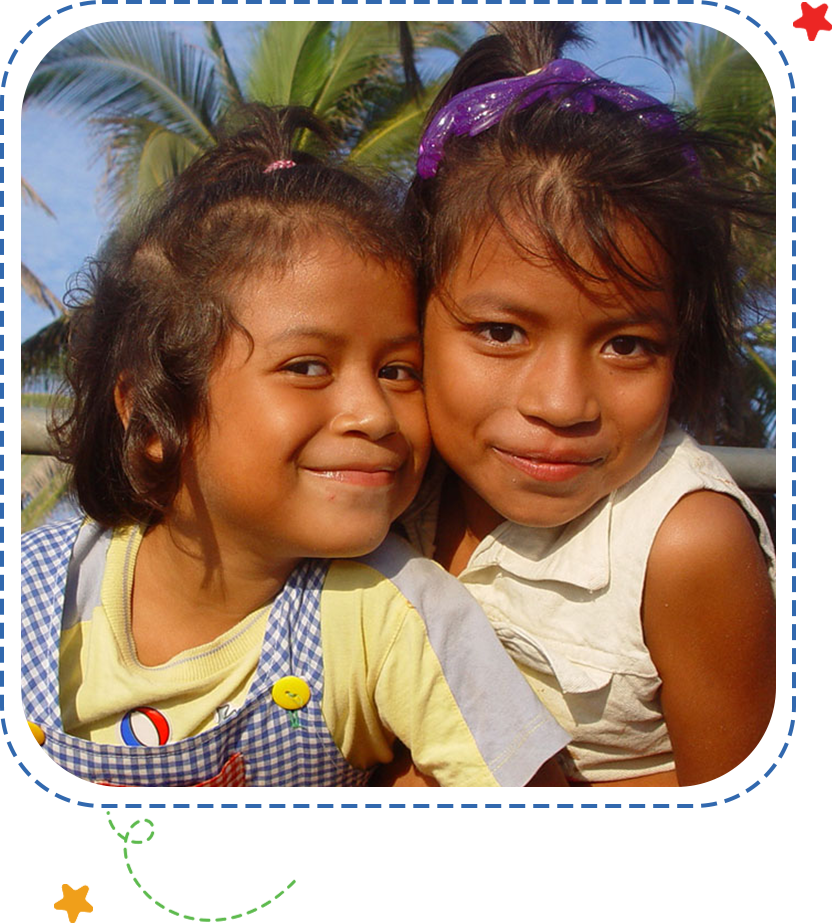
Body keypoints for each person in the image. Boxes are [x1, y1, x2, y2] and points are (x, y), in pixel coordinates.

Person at [20, 104, 570, 788]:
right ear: (154, 415)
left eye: (399, 371)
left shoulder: (392, 613)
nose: (374, 414)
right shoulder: (36, 590)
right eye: (308, 367)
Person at [397, 22, 776, 787]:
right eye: (502, 332)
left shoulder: (683, 546)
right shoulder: (387, 480)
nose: (563, 402)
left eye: (628, 345)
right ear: (412, 319)